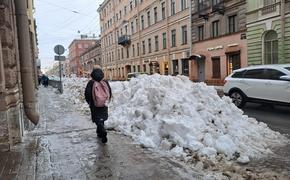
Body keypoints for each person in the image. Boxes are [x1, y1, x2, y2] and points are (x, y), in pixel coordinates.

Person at [85, 68, 112, 143]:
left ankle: (102, 131)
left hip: (94, 104)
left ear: (92, 75)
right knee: (102, 117)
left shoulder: (91, 82)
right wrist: (107, 100)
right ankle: (99, 132)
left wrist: (89, 102)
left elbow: (87, 93)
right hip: (104, 103)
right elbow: (109, 91)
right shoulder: (105, 82)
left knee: (97, 118)